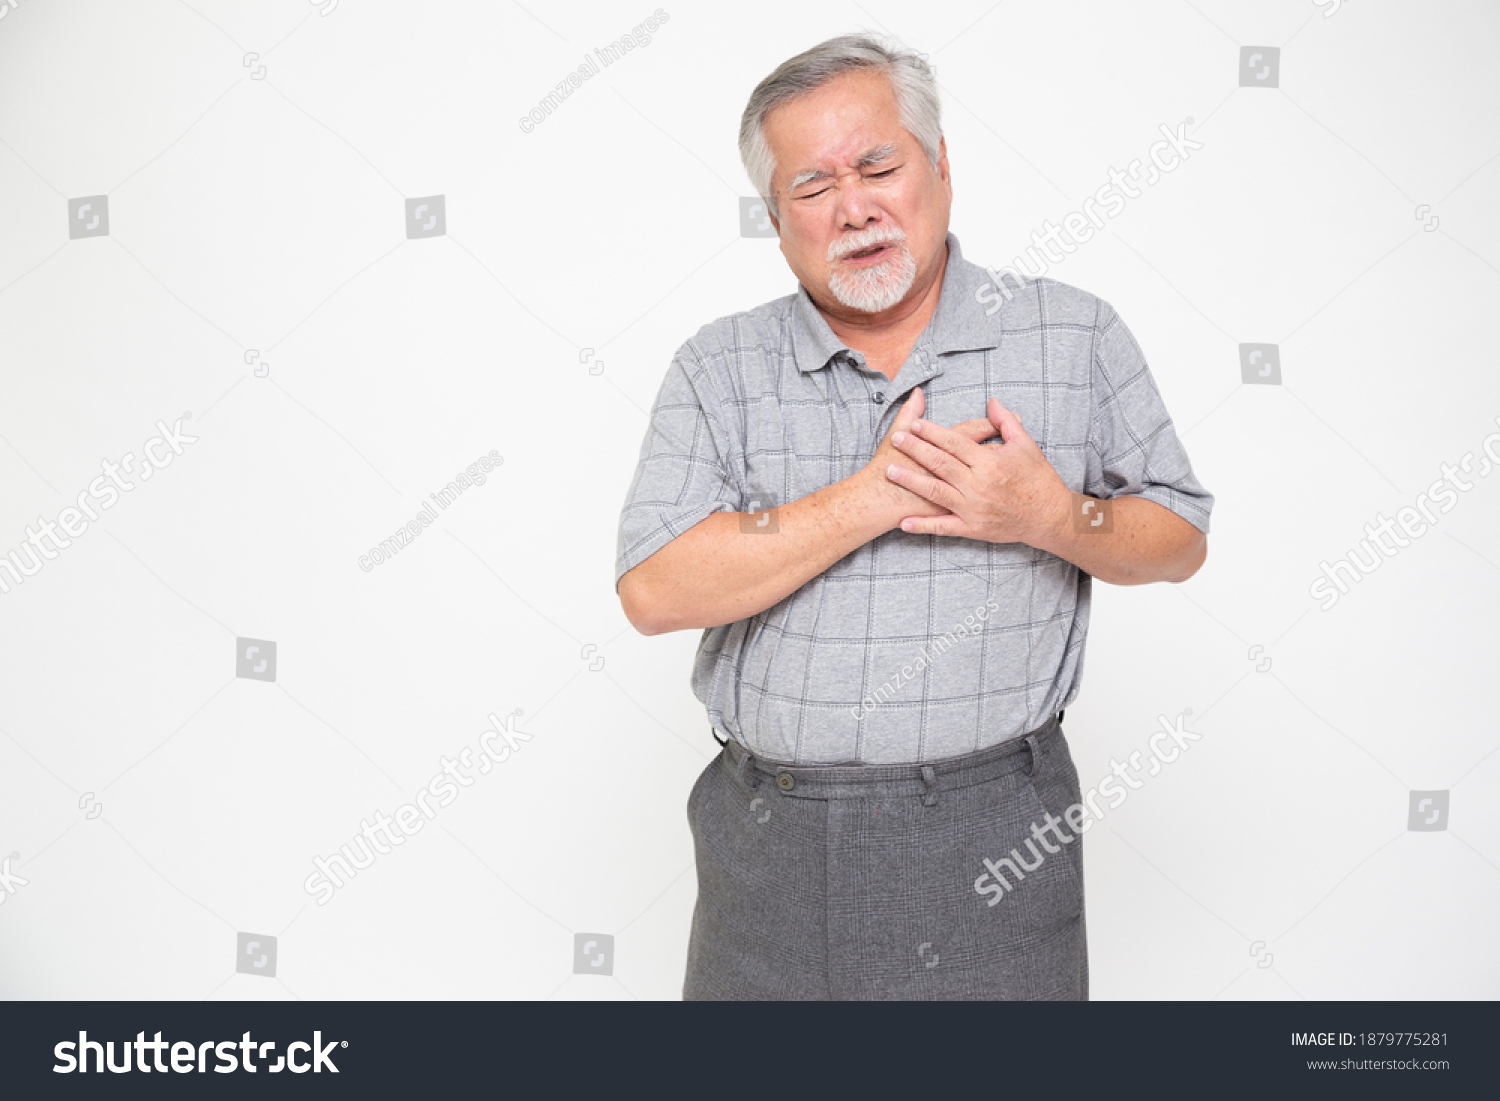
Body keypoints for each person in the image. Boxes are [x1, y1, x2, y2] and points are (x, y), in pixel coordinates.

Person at [614, 33, 1213, 1000]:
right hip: (768, 842)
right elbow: (653, 589)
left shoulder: (1074, 332)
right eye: (811, 187)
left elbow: (1180, 540)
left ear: (940, 168)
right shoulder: (717, 365)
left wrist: (1054, 515)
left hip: (997, 837)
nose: (853, 207)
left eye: (878, 165)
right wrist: (875, 494)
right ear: (775, 220)